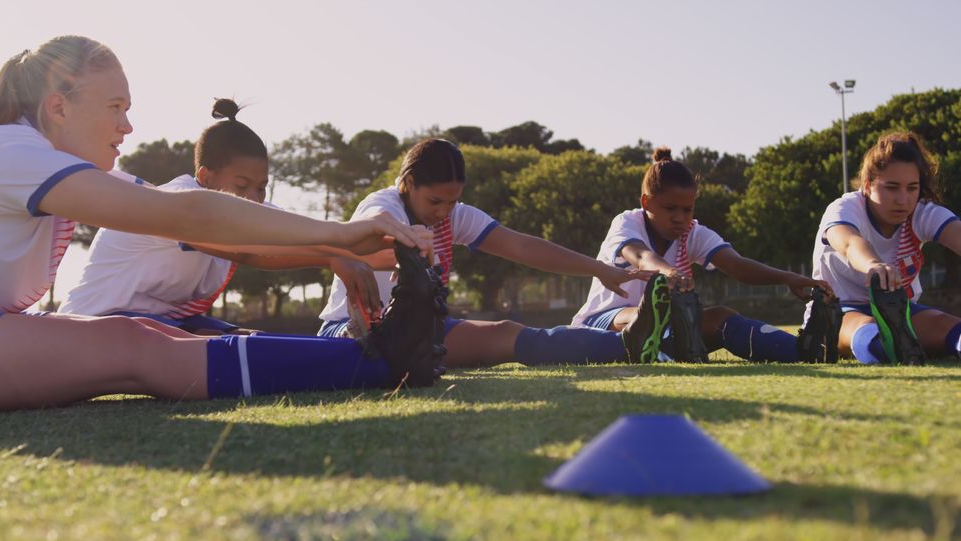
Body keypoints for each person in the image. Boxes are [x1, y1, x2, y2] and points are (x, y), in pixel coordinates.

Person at [0, 36, 443, 417]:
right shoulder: (5, 152)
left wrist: (356, 248)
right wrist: (341, 235)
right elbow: (189, 213)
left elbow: (210, 223)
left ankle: (378, 358)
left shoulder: (33, 157)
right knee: (129, 344)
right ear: (57, 107)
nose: (128, 125)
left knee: (151, 339)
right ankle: (381, 361)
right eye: (115, 106)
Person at [316, 138, 669, 367]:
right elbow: (359, 241)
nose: (443, 212)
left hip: (418, 332)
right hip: (350, 333)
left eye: (452, 201)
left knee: (510, 333)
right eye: (434, 200)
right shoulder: (384, 206)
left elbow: (521, 246)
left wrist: (599, 269)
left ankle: (629, 344)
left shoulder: (454, 216)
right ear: (408, 184)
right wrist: (403, 253)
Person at [59, 98, 383, 334]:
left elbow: (325, 235)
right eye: (242, 185)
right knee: (232, 349)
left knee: (252, 340)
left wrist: (405, 248)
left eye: (261, 188)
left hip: (165, 324)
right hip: (93, 324)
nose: (254, 198)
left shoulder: (249, 211)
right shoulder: (176, 203)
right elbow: (251, 252)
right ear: (206, 177)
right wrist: (333, 257)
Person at [571, 147, 839, 363]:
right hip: (604, 323)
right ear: (646, 202)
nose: (680, 218)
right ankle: (653, 343)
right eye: (670, 208)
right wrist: (668, 271)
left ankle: (803, 351)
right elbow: (640, 256)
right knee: (656, 311)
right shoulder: (627, 222)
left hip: (670, 326)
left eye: (687, 210)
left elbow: (736, 264)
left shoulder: (693, 232)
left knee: (721, 317)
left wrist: (788, 278)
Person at [812, 132, 961, 364]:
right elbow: (850, 243)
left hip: (901, 311)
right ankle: (883, 348)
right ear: (868, 185)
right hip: (841, 309)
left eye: (912, 188)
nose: (903, 200)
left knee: (949, 326)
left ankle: (899, 340)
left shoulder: (922, 213)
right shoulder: (844, 208)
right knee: (867, 330)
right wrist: (874, 265)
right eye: (892, 187)